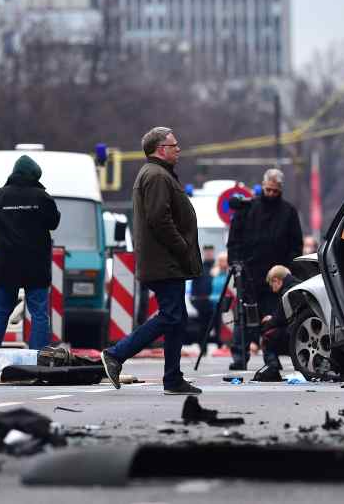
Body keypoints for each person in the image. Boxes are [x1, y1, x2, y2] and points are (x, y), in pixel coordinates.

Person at [101, 127, 204, 395]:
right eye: (174, 145)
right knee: (171, 316)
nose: (178, 149)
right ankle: (116, 354)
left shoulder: (158, 174)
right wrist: (182, 247)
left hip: (166, 261)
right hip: (165, 261)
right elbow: (159, 218)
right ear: (160, 149)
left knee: (177, 318)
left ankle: (173, 378)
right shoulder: (157, 176)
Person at [224, 168, 304, 370]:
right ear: (263, 187)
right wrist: (235, 263)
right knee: (243, 316)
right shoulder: (248, 208)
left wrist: (286, 270)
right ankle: (240, 356)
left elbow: (296, 244)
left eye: (274, 191)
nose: (270, 194)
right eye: (268, 190)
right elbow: (234, 240)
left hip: (275, 276)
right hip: (249, 272)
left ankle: (271, 357)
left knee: (272, 318)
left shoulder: (288, 212)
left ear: (280, 190)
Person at [0, 155, 61, 350]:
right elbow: (54, 223)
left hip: (6, 266)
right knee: (39, 314)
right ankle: (38, 357)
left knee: (1, 311)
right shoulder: (43, 198)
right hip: (36, 266)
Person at [253, 264, 301, 381]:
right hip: (302, 331)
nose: (271, 287)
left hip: (294, 334)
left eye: (271, 283)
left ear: (276, 280)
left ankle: (272, 367)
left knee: (268, 335)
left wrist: (266, 324)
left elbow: (280, 319)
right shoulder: (298, 285)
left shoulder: (287, 292)